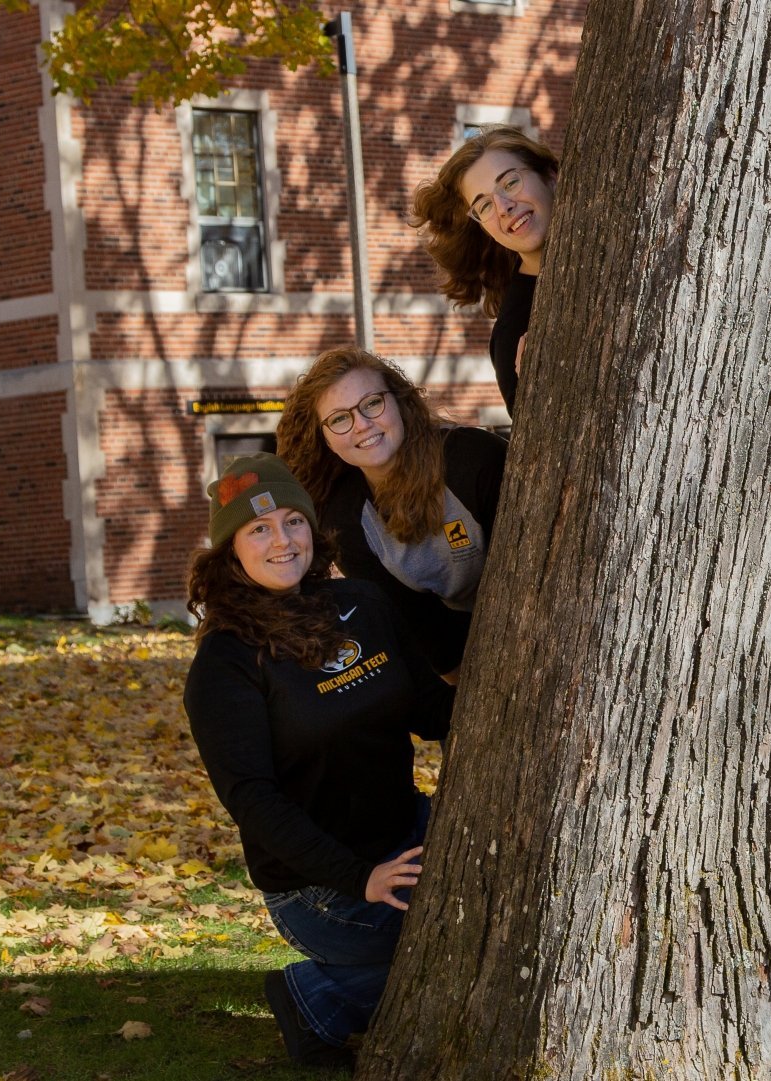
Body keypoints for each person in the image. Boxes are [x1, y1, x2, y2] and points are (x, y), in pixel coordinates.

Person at [181, 453, 452, 1066]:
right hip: (318, 889)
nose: (283, 540)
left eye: (292, 521)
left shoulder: (361, 602)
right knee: (459, 939)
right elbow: (253, 800)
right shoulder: (226, 665)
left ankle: (331, 991)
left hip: (405, 833)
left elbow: (430, 708)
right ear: (230, 551)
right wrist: (361, 878)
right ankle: (313, 998)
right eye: (259, 529)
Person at [276, 347, 506, 678]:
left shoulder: (472, 460)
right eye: (340, 418)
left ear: (398, 401)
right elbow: (427, 635)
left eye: (372, 403)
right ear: (326, 439)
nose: (362, 425)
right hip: (467, 652)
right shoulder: (346, 519)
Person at [409, 125, 560, 414]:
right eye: (484, 206)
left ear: (550, 176)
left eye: (510, 183)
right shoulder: (512, 333)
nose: (503, 207)